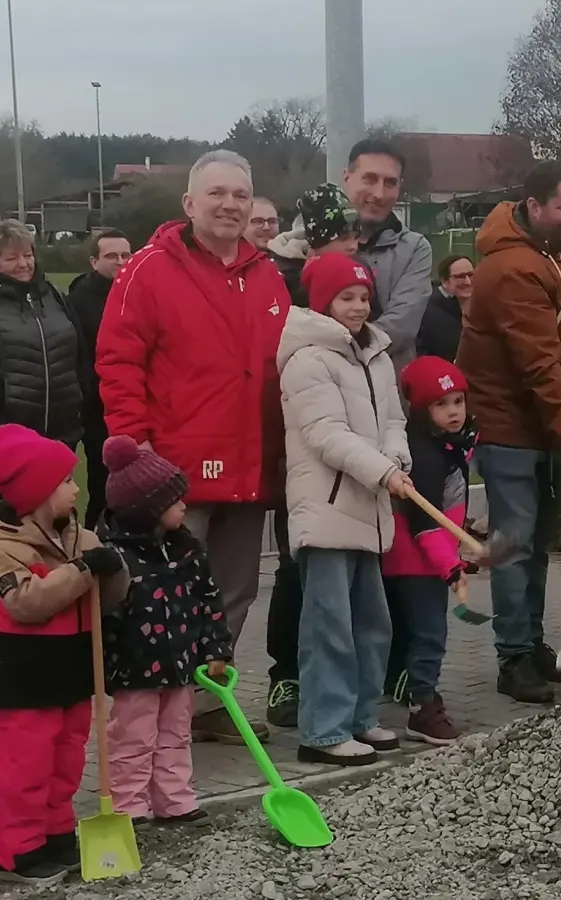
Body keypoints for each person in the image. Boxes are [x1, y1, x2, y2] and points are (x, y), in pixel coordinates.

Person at [96, 150, 289, 744]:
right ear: (189, 204)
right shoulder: (148, 269)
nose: (230, 204)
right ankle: (151, 712)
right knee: (162, 597)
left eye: (240, 194)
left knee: (233, 591)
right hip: (176, 469)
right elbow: (118, 361)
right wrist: (139, 454)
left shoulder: (267, 274)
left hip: (251, 464)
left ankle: (205, 705)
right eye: (217, 194)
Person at [455, 159, 561, 704]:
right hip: (509, 427)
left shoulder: (549, 254)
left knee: (534, 545)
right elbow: (538, 362)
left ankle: (532, 643)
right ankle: (514, 658)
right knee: (513, 547)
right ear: (534, 207)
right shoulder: (514, 267)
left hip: (537, 423)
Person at [0, 424, 128, 885]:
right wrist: (83, 571)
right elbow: (27, 602)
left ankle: (55, 830)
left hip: (71, 665)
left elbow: (113, 595)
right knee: (28, 762)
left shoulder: (79, 537)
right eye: (66, 481)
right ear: (39, 492)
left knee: (67, 756)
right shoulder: (4, 546)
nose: (77, 487)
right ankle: (15, 850)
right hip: (24, 670)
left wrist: (113, 567)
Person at [279, 252, 411, 765]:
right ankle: (323, 728)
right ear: (323, 301)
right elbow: (324, 433)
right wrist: (382, 470)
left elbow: (393, 420)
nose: (358, 307)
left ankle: (360, 716)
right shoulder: (307, 359)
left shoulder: (377, 356)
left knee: (371, 623)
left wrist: (396, 458)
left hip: (370, 507)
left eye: (363, 298)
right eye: (346, 298)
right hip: (328, 511)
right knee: (329, 625)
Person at [259, 182, 362, 729]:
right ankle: (285, 676)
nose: (354, 243)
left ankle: (342, 676)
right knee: (297, 559)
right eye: (345, 234)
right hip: (298, 440)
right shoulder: (281, 282)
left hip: (353, 438)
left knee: (346, 562)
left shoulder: (350, 283)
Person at [98, 436, 232, 828]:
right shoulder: (115, 558)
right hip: (135, 671)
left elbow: (208, 600)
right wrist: (109, 663)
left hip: (182, 664)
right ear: (149, 510)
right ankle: (129, 804)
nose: (185, 506)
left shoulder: (187, 550)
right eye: (176, 502)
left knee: (176, 735)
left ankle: (175, 799)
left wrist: (215, 649)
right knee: (133, 740)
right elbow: (106, 618)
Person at [0, 220, 86, 590]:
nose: (24, 264)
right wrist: (5, 396)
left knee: (59, 512)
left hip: (59, 427)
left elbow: (79, 352)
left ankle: (53, 588)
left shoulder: (55, 297)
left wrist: (78, 394)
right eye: (12, 258)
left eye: (27, 254)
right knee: (4, 515)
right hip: (5, 432)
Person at [383, 356, 476, 745]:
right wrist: (450, 567)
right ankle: (422, 706)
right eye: (441, 405)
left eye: (458, 401)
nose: (453, 412)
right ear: (422, 410)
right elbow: (425, 523)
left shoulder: (448, 445)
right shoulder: (425, 454)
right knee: (429, 635)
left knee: (414, 633)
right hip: (417, 561)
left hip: (424, 557)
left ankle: (413, 694)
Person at [345, 139, 433, 371]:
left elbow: (401, 326)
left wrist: (338, 355)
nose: (379, 194)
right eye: (370, 179)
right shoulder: (308, 242)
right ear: (346, 177)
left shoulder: (414, 248)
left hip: (389, 390)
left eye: (390, 183)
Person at [67, 229, 135, 529]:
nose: (120, 262)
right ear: (94, 261)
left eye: (125, 255)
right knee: (102, 487)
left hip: (135, 404)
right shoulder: (78, 301)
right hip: (96, 409)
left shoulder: (138, 291)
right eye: (111, 256)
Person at [266, 183, 361, 308]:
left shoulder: (359, 269)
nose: (353, 246)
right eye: (343, 239)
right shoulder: (282, 276)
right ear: (319, 241)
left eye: (356, 237)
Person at [417, 254, 473, 361]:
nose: (468, 281)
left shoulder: (483, 306)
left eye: (471, 275)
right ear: (444, 281)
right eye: (460, 277)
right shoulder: (426, 310)